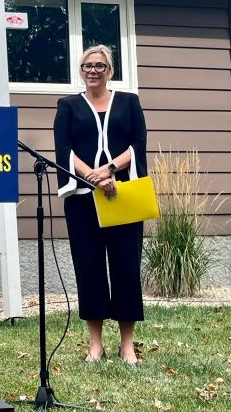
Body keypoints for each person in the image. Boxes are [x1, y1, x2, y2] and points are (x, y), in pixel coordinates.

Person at [53, 44, 148, 366]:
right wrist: (92, 178)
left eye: (99, 65)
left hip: (123, 197)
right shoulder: (67, 105)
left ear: (110, 70)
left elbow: (138, 143)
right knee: (89, 268)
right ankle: (96, 344)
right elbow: (63, 148)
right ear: (81, 70)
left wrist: (109, 171)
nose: (92, 70)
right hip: (83, 201)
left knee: (126, 267)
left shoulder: (129, 102)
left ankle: (127, 344)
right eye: (87, 66)